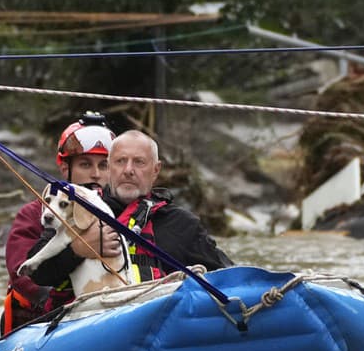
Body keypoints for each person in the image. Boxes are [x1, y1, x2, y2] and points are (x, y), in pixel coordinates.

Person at [23, 129, 231, 301]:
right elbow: (38, 274)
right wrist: (78, 249)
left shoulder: (183, 224)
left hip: (159, 323)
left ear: (156, 170)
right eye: (120, 161)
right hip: (89, 323)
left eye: (139, 162)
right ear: (109, 167)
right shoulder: (78, 210)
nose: (128, 170)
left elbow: (227, 276)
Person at [1, 113, 114, 332]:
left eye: (104, 165)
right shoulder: (34, 214)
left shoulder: (117, 214)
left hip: (105, 313)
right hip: (46, 321)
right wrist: (77, 251)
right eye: (85, 164)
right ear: (65, 168)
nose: (96, 174)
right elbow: (20, 272)